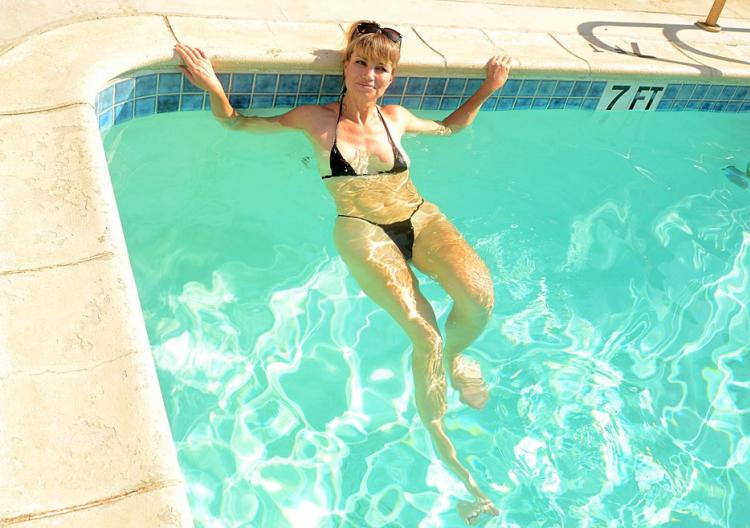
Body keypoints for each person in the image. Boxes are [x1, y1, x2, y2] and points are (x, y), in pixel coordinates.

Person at [175, 20, 511, 525]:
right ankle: (455, 465)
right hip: (361, 228)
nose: (369, 75)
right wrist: (213, 88)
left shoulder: (396, 118)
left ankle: (459, 356)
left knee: (480, 297)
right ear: (345, 65)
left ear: (391, 78)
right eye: (361, 63)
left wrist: (488, 88)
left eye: (381, 68)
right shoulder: (316, 120)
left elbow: (449, 127)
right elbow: (239, 124)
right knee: (426, 337)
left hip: (420, 217)